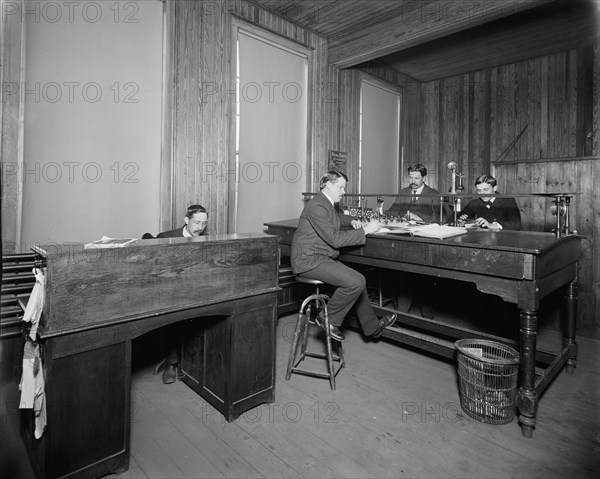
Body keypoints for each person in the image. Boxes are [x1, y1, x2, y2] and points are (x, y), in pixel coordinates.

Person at [291, 170, 397, 341]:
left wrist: (352, 221)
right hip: (309, 261)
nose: (343, 191)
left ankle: (372, 327)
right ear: (328, 185)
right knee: (356, 281)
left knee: (358, 279)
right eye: (340, 187)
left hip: (319, 258)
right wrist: (366, 229)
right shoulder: (317, 205)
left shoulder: (324, 203)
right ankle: (328, 319)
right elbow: (335, 240)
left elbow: (336, 217)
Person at [155, 204, 208, 383]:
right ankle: (171, 363)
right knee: (173, 317)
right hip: (168, 292)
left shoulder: (207, 240)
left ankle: (192, 361)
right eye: (197, 222)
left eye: (204, 223)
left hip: (195, 291)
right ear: (186, 221)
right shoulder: (165, 238)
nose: (200, 228)